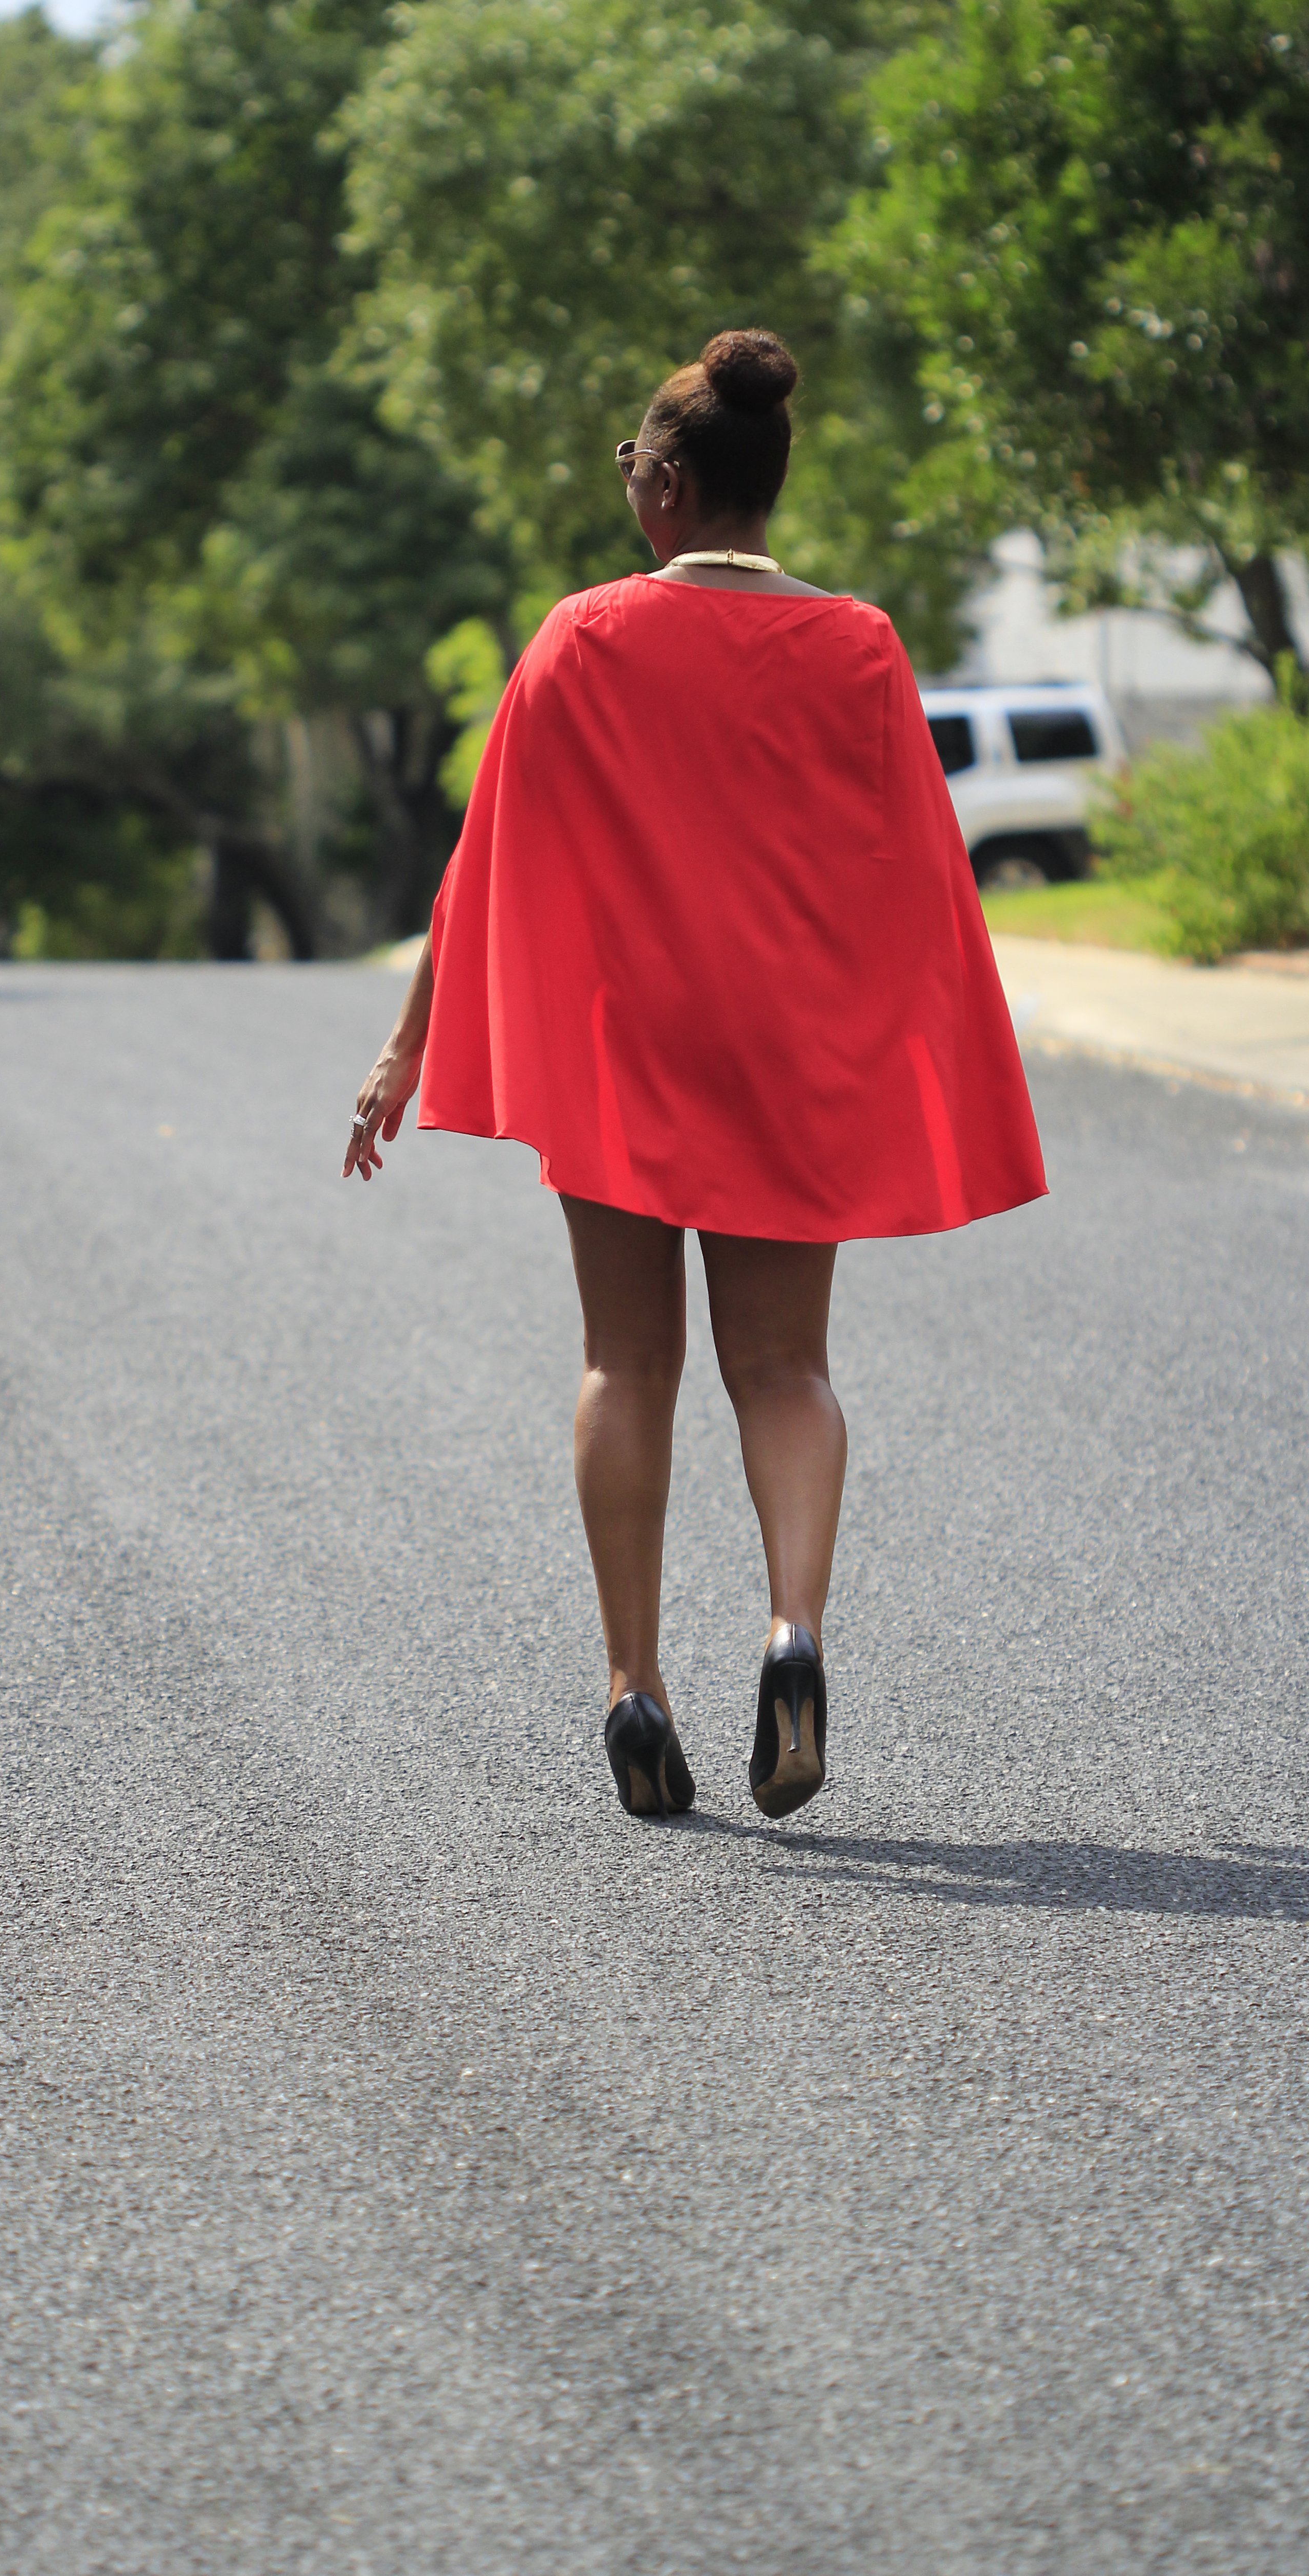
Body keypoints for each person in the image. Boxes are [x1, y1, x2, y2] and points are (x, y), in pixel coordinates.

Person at [343, 329, 1046, 1822]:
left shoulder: (582, 638)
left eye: (629, 464)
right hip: (787, 1055)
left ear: (665, 484)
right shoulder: (860, 644)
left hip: (627, 1058)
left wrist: (408, 1046)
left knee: (627, 1364)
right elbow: (916, 873)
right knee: (785, 1370)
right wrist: (906, 1052)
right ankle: (792, 1631)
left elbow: (480, 870)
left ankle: (634, 1686)